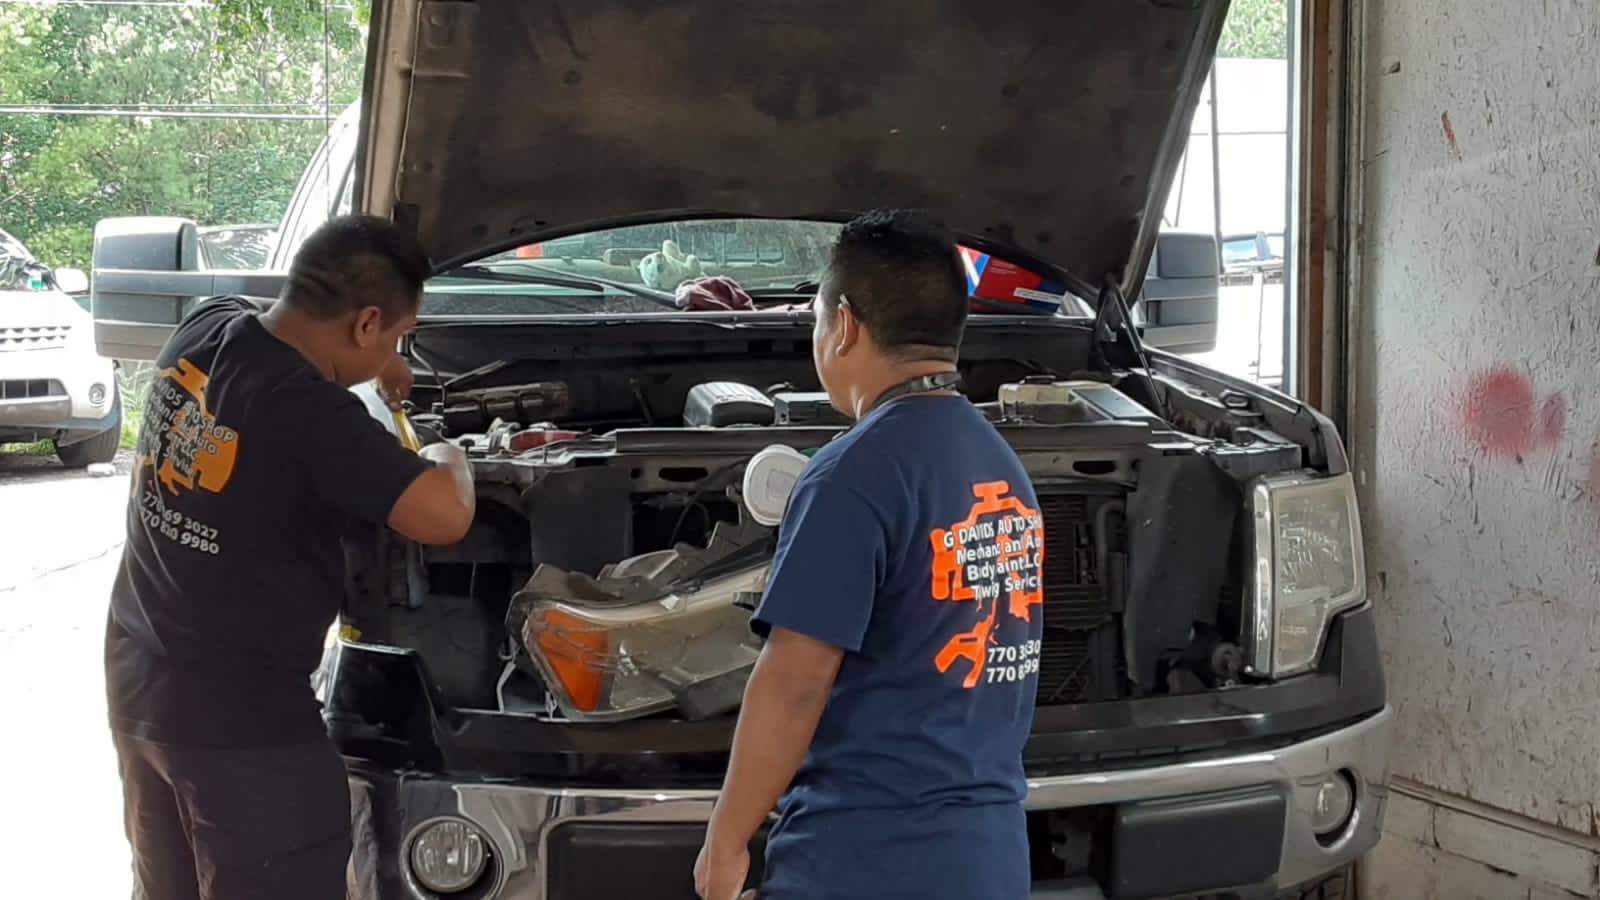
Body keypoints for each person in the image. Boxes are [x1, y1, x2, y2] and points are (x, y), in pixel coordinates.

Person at [105, 214, 477, 900]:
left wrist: (383, 358)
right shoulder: (311, 414)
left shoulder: (208, 326)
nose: (394, 353)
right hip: (246, 731)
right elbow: (445, 516)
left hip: (140, 684)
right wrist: (447, 451)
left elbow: (276, 326)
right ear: (366, 322)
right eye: (396, 335)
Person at [694, 210, 1046, 900]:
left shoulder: (852, 474)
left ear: (845, 326)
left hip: (863, 857)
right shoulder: (1006, 474)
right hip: (990, 858)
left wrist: (725, 842)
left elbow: (794, 685)